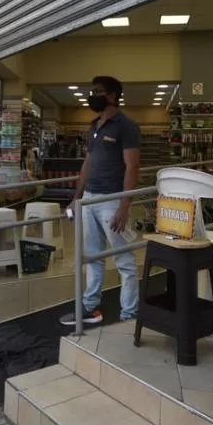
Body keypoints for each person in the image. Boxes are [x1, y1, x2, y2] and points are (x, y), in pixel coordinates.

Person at [60, 76, 141, 326]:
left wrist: (124, 205)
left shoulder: (126, 126)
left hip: (112, 201)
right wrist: (77, 198)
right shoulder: (94, 125)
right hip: (90, 200)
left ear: (114, 95)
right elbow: (88, 163)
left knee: (124, 262)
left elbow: (132, 166)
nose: (93, 95)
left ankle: (129, 315)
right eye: (92, 90)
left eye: (99, 91)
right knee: (92, 257)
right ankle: (91, 309)